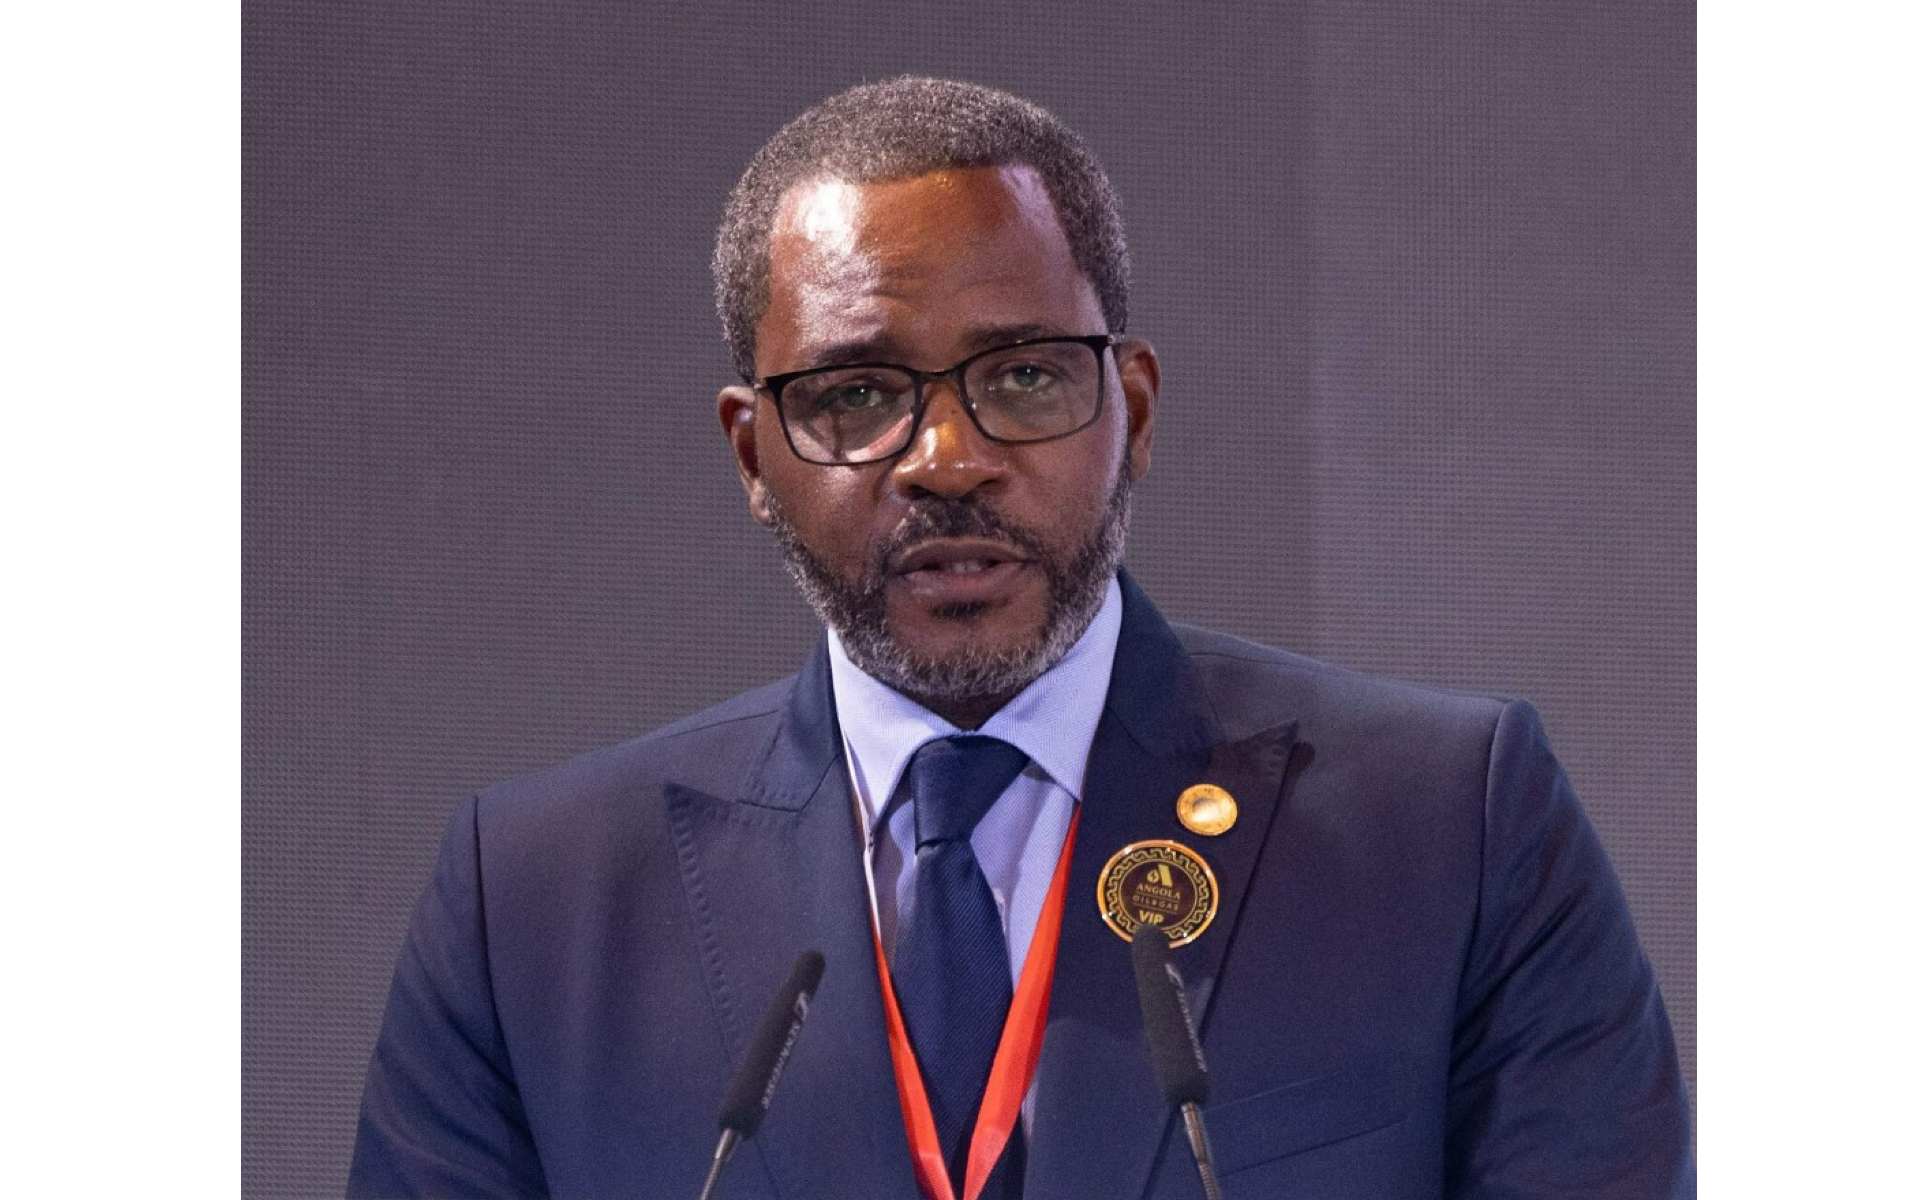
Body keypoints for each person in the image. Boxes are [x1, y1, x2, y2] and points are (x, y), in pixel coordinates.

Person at [349, 77, 1693, 1199]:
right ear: (753, 453)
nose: (947, 458)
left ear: (1134, 413)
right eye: (855, 394)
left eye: (1026, 376)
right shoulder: (534, 905)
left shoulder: (1450, 828)